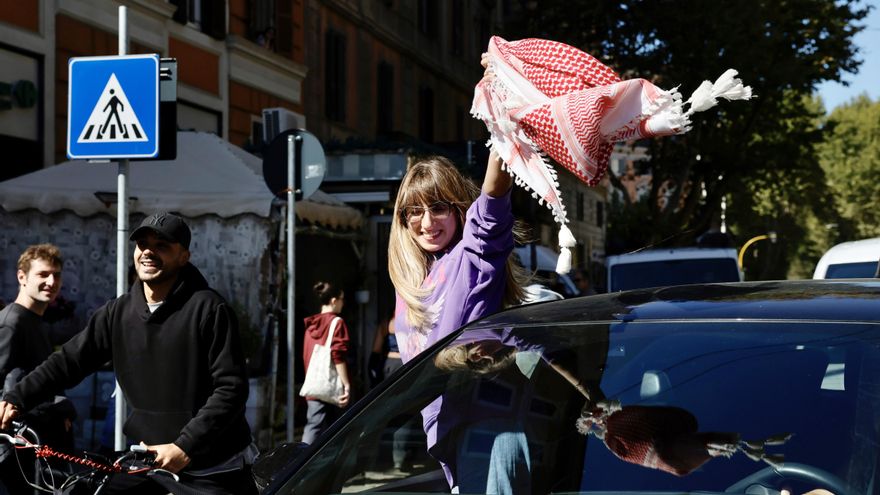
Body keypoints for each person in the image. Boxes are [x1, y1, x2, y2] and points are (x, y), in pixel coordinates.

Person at [0, 213, 257, 495]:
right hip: (149, 460)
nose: (148, 252)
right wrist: (16, 398)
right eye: (142, 244)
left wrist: (185, 445)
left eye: (161, 245)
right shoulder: (118, 312)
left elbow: (231, 389)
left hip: (211, 467)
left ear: (184, 256)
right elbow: (69, 361)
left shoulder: (210, 309)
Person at [387, 140, 528, 490]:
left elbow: (491, 210)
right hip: (449, 438)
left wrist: (503, 138)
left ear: (458, 210)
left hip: (487, 432)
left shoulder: (469, 259)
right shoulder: (412, 281)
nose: (426, 222)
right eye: (414, 211)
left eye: (438, 207)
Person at [0, 244, 76, 494]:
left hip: (39, 445)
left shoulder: (35, 321)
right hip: (21, 450)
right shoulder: (12, 322)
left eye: (56, 275)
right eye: (43, 274)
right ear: (22, 277)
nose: (51, 282)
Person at [301, 281, 351, 444]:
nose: (343, 303)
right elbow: (337, 355)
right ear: (334, 301)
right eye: (342, 299)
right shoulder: (337, 323)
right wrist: (346, 384)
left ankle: (302, 457)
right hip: (332, 385)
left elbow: (307, 354)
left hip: (314, 384)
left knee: (313, 427)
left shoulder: (311, 325)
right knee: (338, 430)